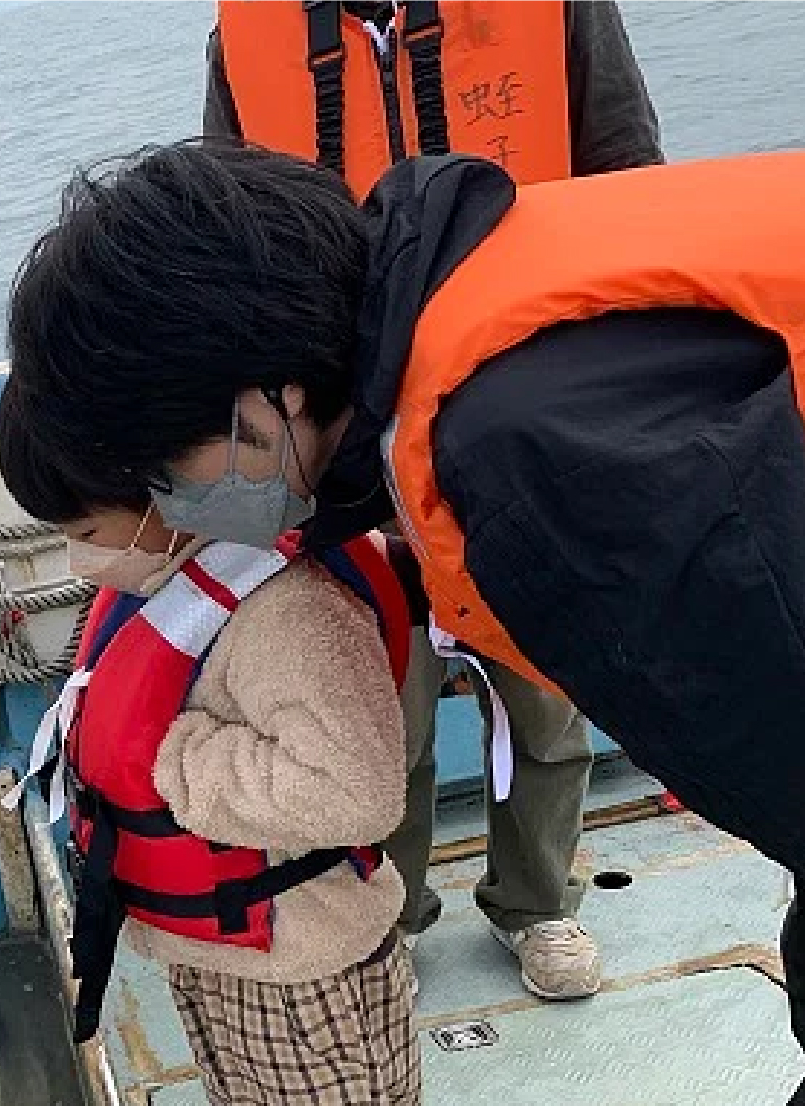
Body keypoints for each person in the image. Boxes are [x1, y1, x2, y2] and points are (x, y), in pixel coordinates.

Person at [0, 139, 805, 1106]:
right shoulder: (432, 280)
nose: (169, 509)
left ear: (262, 405)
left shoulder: (533, 459)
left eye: (161, 472)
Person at [202, 0, 667, 999]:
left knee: (541, 683)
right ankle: (391, 916)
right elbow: (223, 236)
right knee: (377, 694)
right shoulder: (242, 39)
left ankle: (537, 901)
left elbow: (629, 174)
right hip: (344, 414)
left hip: (529, 389)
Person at [0, 383, 457, 1106]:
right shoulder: (178, 574)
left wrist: (178, 760)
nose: (77, 562)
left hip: (285, 967)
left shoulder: (285, 610)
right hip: (247, 951)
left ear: (159, 495)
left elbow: (358, 792)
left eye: (87, 536)